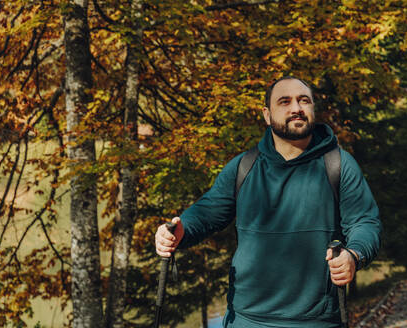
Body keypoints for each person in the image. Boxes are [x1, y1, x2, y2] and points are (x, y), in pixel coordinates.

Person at [155, 76, 382, 327]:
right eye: (284, 101)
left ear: (312, 108)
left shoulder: (338, 165)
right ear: (267, 114)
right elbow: (208, 212)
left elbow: (365, 222)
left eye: (303, 100)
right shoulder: (244, 166)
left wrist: (354, 254)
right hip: (246, 319)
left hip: (317, 321)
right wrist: (180, 229)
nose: (296, 108)